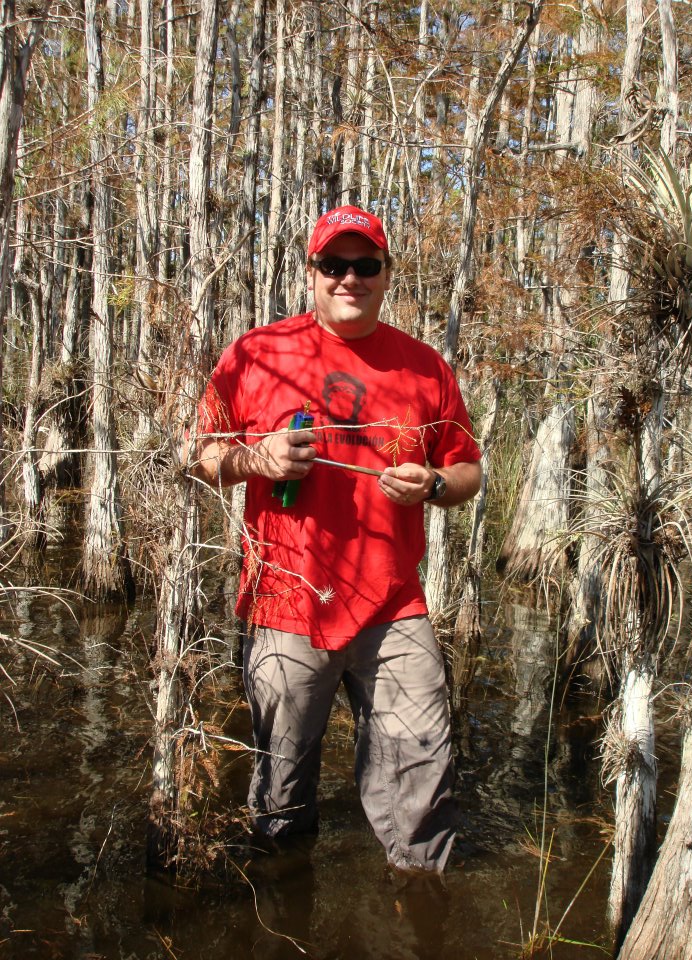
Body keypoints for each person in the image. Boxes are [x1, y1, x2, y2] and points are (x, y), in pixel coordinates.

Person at [191, 205, 481, 873]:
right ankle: (284, 903)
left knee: (423, 779)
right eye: (333, 264)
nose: (349, 277)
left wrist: (434, 483)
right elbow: (196, 456)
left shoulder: (424, 367)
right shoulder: (256, 353)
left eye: (364, 265)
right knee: (280, 796)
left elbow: (468, 471)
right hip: (287, 605)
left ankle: (419, 906)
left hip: (394, 607)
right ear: (312, 271)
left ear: (385, 274)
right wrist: (252, 459)